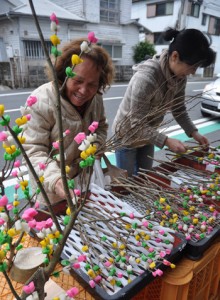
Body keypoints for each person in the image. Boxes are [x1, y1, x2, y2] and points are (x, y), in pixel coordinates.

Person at [112, 28, 215, 177]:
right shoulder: (147, 78)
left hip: (148, 135)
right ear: (175, 56)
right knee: (127, 184)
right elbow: (136, 123)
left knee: (145, 176)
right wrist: (166, 141)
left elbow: (178, 109)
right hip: (126, 135)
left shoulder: (179, 78)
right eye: (192, 67)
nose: (192, 72)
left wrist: (194, 133)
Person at [23, 37, 114, 204]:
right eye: (77, 81)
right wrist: (57, 180)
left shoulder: (96, 99)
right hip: (50, 191)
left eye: (92, 84)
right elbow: (33, 151)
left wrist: (94, 147)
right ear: (63, 74)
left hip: (85, 182)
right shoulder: (41, 100)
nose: (84, 91)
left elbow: (100, 127)